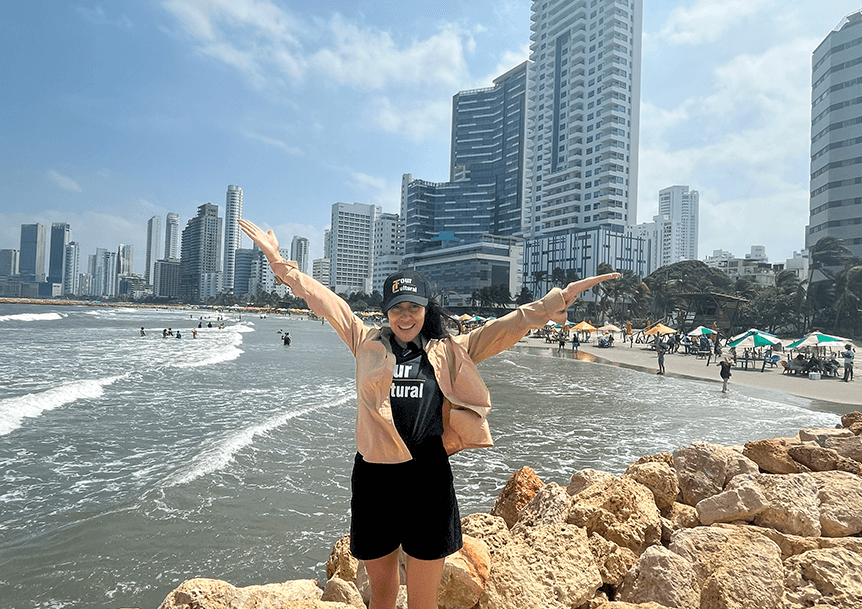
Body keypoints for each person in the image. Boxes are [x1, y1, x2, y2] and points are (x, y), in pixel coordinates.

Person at [238, 218, 619, 609]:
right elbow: (325, 300)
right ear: (386, 311)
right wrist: (280, 262)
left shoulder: (449, 349)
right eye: (396, 308)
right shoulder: (364, 341)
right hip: (375, 479)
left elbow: (506, 327)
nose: (405, 316)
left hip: (428, 480)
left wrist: (557, 300)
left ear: (425, 308)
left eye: (413, 307)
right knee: (382, 596)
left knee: (423, 601)